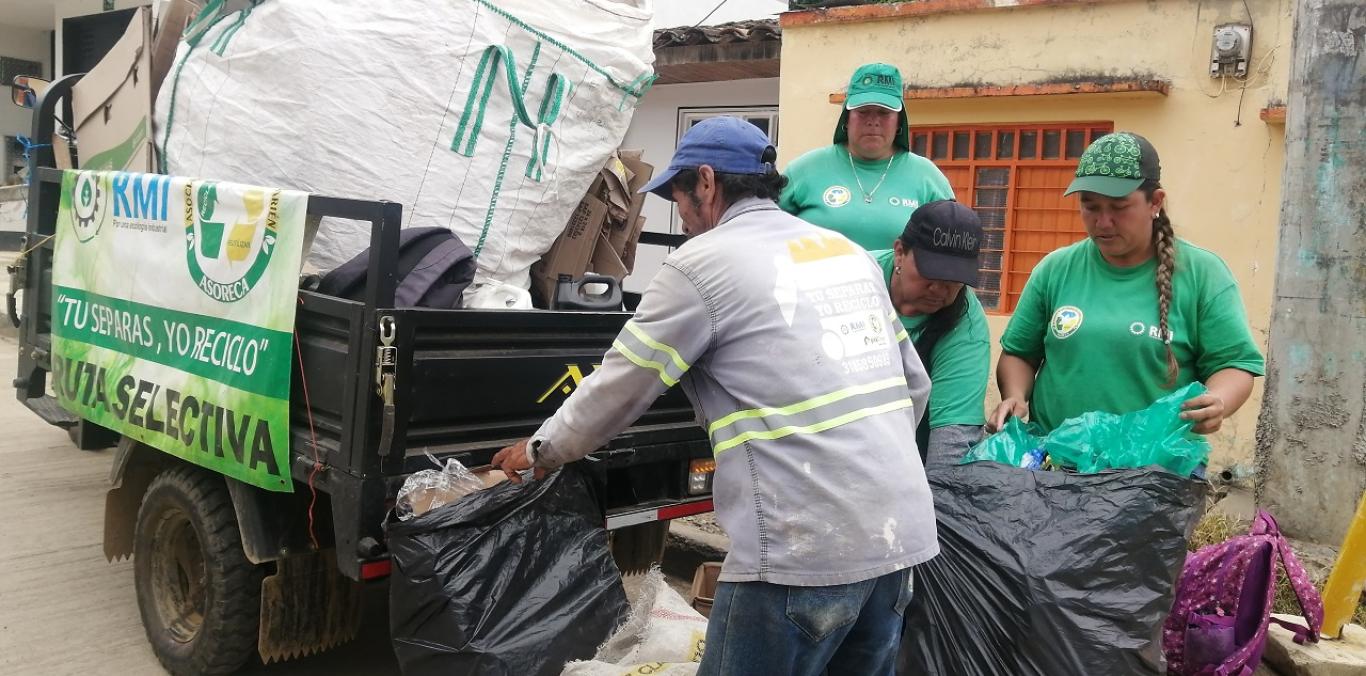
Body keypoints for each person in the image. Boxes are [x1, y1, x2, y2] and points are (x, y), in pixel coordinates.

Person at [491, 117, 938, 676]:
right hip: (900, 540)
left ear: (706, 181)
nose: (681, 217)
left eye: (679, 198)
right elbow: (913, 386)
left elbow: (618, 386)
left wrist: (540, 451)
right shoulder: (845, 253)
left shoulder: (701, 264)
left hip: (799, 553)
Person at [988, 132, 1264, 439]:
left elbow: (1234, 365)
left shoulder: (1204, 274)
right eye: (1090, 206)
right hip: (1056, 461)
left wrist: (1218, 402)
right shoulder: (1055, 269)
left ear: (1155, 202)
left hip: (1155, 469)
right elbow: (1020, 354)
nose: (1103, 222)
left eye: (1119, 207)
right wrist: (1015, 395)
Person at [780, 62, 954, 251]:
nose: (873, 121)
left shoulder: (927, 177)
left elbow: (950, 250)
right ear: (847, 118)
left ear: (899, 122)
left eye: (884, 113)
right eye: (862, 112)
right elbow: (766, 233)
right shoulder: (803, 170)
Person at [872, 200, 991, 465]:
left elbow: (952, 440)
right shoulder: (857, 281)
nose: (940, 290)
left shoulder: (965, 321)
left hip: (917, 456)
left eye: (953, 281)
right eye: (930, 275)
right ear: (900, 252)